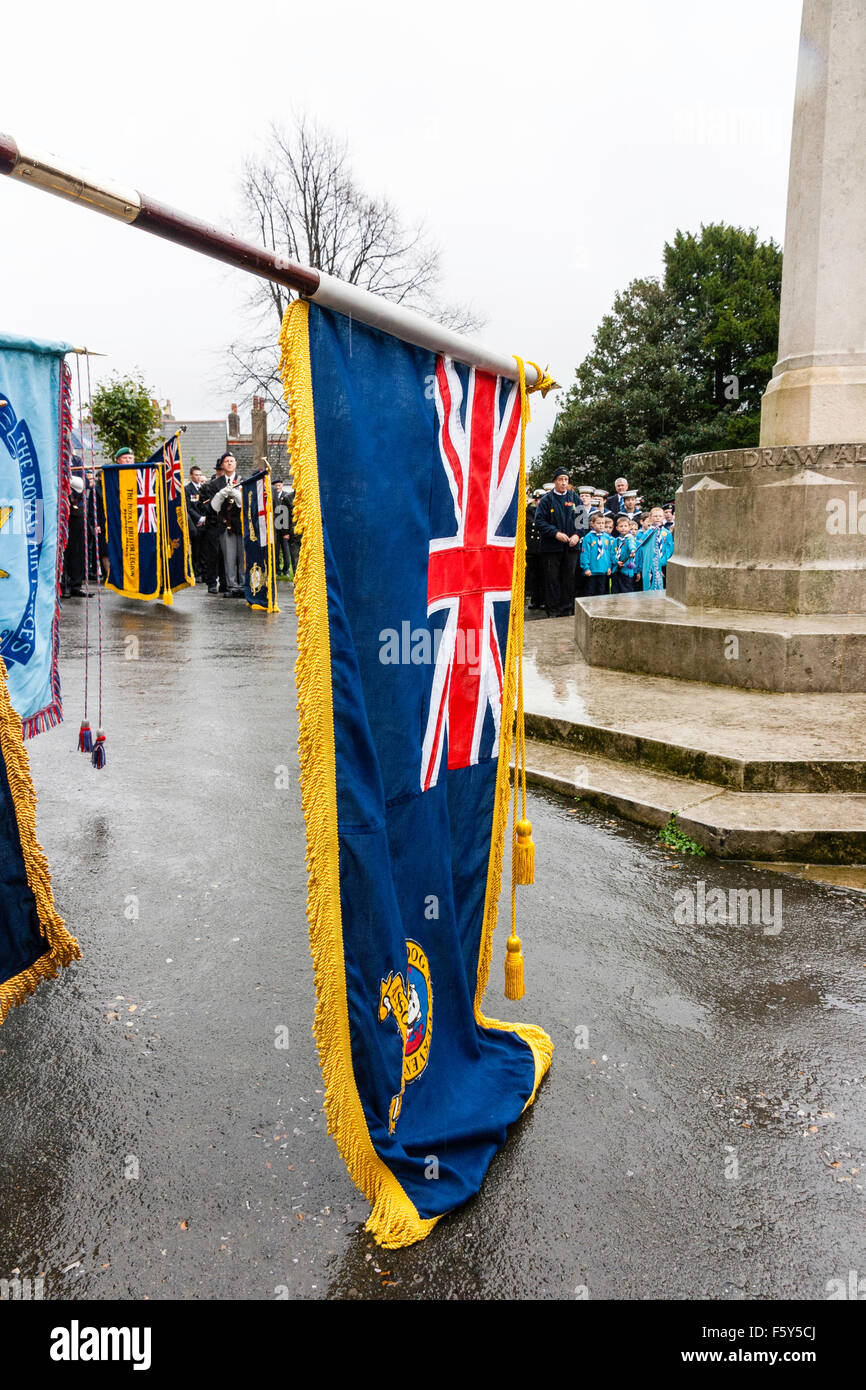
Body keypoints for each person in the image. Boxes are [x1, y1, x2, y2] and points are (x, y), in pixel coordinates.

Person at [534, 467, 586, 617]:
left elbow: (583, 520)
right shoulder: (546, 500)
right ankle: (553, 610)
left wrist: (577, 535)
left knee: (569, 578)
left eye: (566, 480)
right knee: (552, 580)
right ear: (554, 481)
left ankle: (566, 609)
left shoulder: (574, 498)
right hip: (551, 548)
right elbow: (539, 522)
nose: (563, 483)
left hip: (571, 547)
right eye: (560, 480)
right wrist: (555, 533)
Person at [202, 452, 244, 596]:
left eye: (232, 461)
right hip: (224, 525)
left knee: (242, 557)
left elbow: (246, 504)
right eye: (226, 461)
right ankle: (232, 586)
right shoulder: (215, 484)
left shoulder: (243, 481)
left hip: (240, 524)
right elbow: (214, 507)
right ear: (222, 465)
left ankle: (243, 585)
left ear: (236, 463)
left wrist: (238, 495)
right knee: (229, 558)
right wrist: (221, 494)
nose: (229, 463)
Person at [635, 506, 675, 591]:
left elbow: (669, 548)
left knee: (660, 585)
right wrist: (650, 530)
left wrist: (663, 560)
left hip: (662, 562)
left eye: (660, 516)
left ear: (663, 517)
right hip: (649, 562)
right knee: (649, 583)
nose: (657, 518)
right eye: (655, 516)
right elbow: (642, 544)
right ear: (650, 518)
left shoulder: (666, 533)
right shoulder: (647, 532)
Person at [579, 511, 615, 596]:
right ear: (592, 524)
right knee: (590, 592)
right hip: (592, 571)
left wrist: (609, 567)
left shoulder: (607, 537)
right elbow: (585, 554)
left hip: (603, 570)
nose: (601, 525)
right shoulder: (588, 537)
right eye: (598, 523)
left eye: (603, 523)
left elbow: (609, 553)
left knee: (601, 591)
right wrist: (586, 568)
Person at [185, 466, 208, 581]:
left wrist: (205, 517)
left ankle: (204, 572)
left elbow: (207, 503)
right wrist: (199, 518)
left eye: (200, 474)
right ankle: (197, 572)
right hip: (195, 524)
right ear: (191, 476)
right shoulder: (187, 489)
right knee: (196, 549)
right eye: (196, 475)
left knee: (205, 550)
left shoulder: (204, 488)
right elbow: (189, 508)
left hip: (205, 522)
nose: (198, 477)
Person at [612, 514, 637, 593]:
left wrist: (633, 550)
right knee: (616, 590)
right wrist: (616, 561)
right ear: (617, 528)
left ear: (629, 527)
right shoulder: (616, 540)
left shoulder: (630, 538)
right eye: (621, 526)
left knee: (626, 590)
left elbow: (631, 545)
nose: (623, 528)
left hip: (626, 569)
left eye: (625, 526)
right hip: (617, 569)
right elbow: (612, 553)